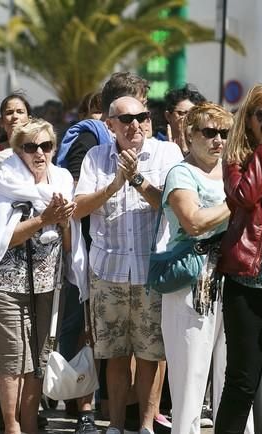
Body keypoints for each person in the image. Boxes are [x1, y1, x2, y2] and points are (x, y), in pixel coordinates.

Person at [74, 96, 183, 434]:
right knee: (115, 352)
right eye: (126, 119)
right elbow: (78, 209)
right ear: (110, 125)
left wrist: (136, 179)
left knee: (152, 353)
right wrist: (114, 185)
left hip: (152, 270)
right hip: (109, 271)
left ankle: (147, 426)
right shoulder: (96, 156)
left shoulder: (167, 153)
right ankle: (117, 425)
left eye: (141, 117)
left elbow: (171, 204)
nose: (135, 124)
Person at [0, 118, 86, 434]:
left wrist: (62, 223)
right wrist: (44, 219)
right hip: (5, 285)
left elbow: (69, 244)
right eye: (30, 146)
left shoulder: (62, 180)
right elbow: (1, 237)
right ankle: (11, 427)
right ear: (17, 149)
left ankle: (31, 424)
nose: (39, 153)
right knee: (12, 362)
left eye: (45, 146)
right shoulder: (6, 181)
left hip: (48, 286)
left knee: (37, 360)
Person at [159, 102, 255, 434]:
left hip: (235, 280)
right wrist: (241, 199)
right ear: (190, 134)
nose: (217, 140)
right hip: (192, 280)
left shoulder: (235, 171)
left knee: (237, 376)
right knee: (190, 380)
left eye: (224, 133)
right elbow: (194, 222)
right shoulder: (180, 173)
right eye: (209, 132)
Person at [215, 80, 262, 433]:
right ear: (249, 120)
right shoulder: (237, 159)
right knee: (242, 383)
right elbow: (244, 198)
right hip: (247, 283)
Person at [163, 84, 207, 155]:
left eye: (192, 114)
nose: (186, 118)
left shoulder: (203, 146)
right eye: (181, 113)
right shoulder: (158, 146)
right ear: (168, 116)